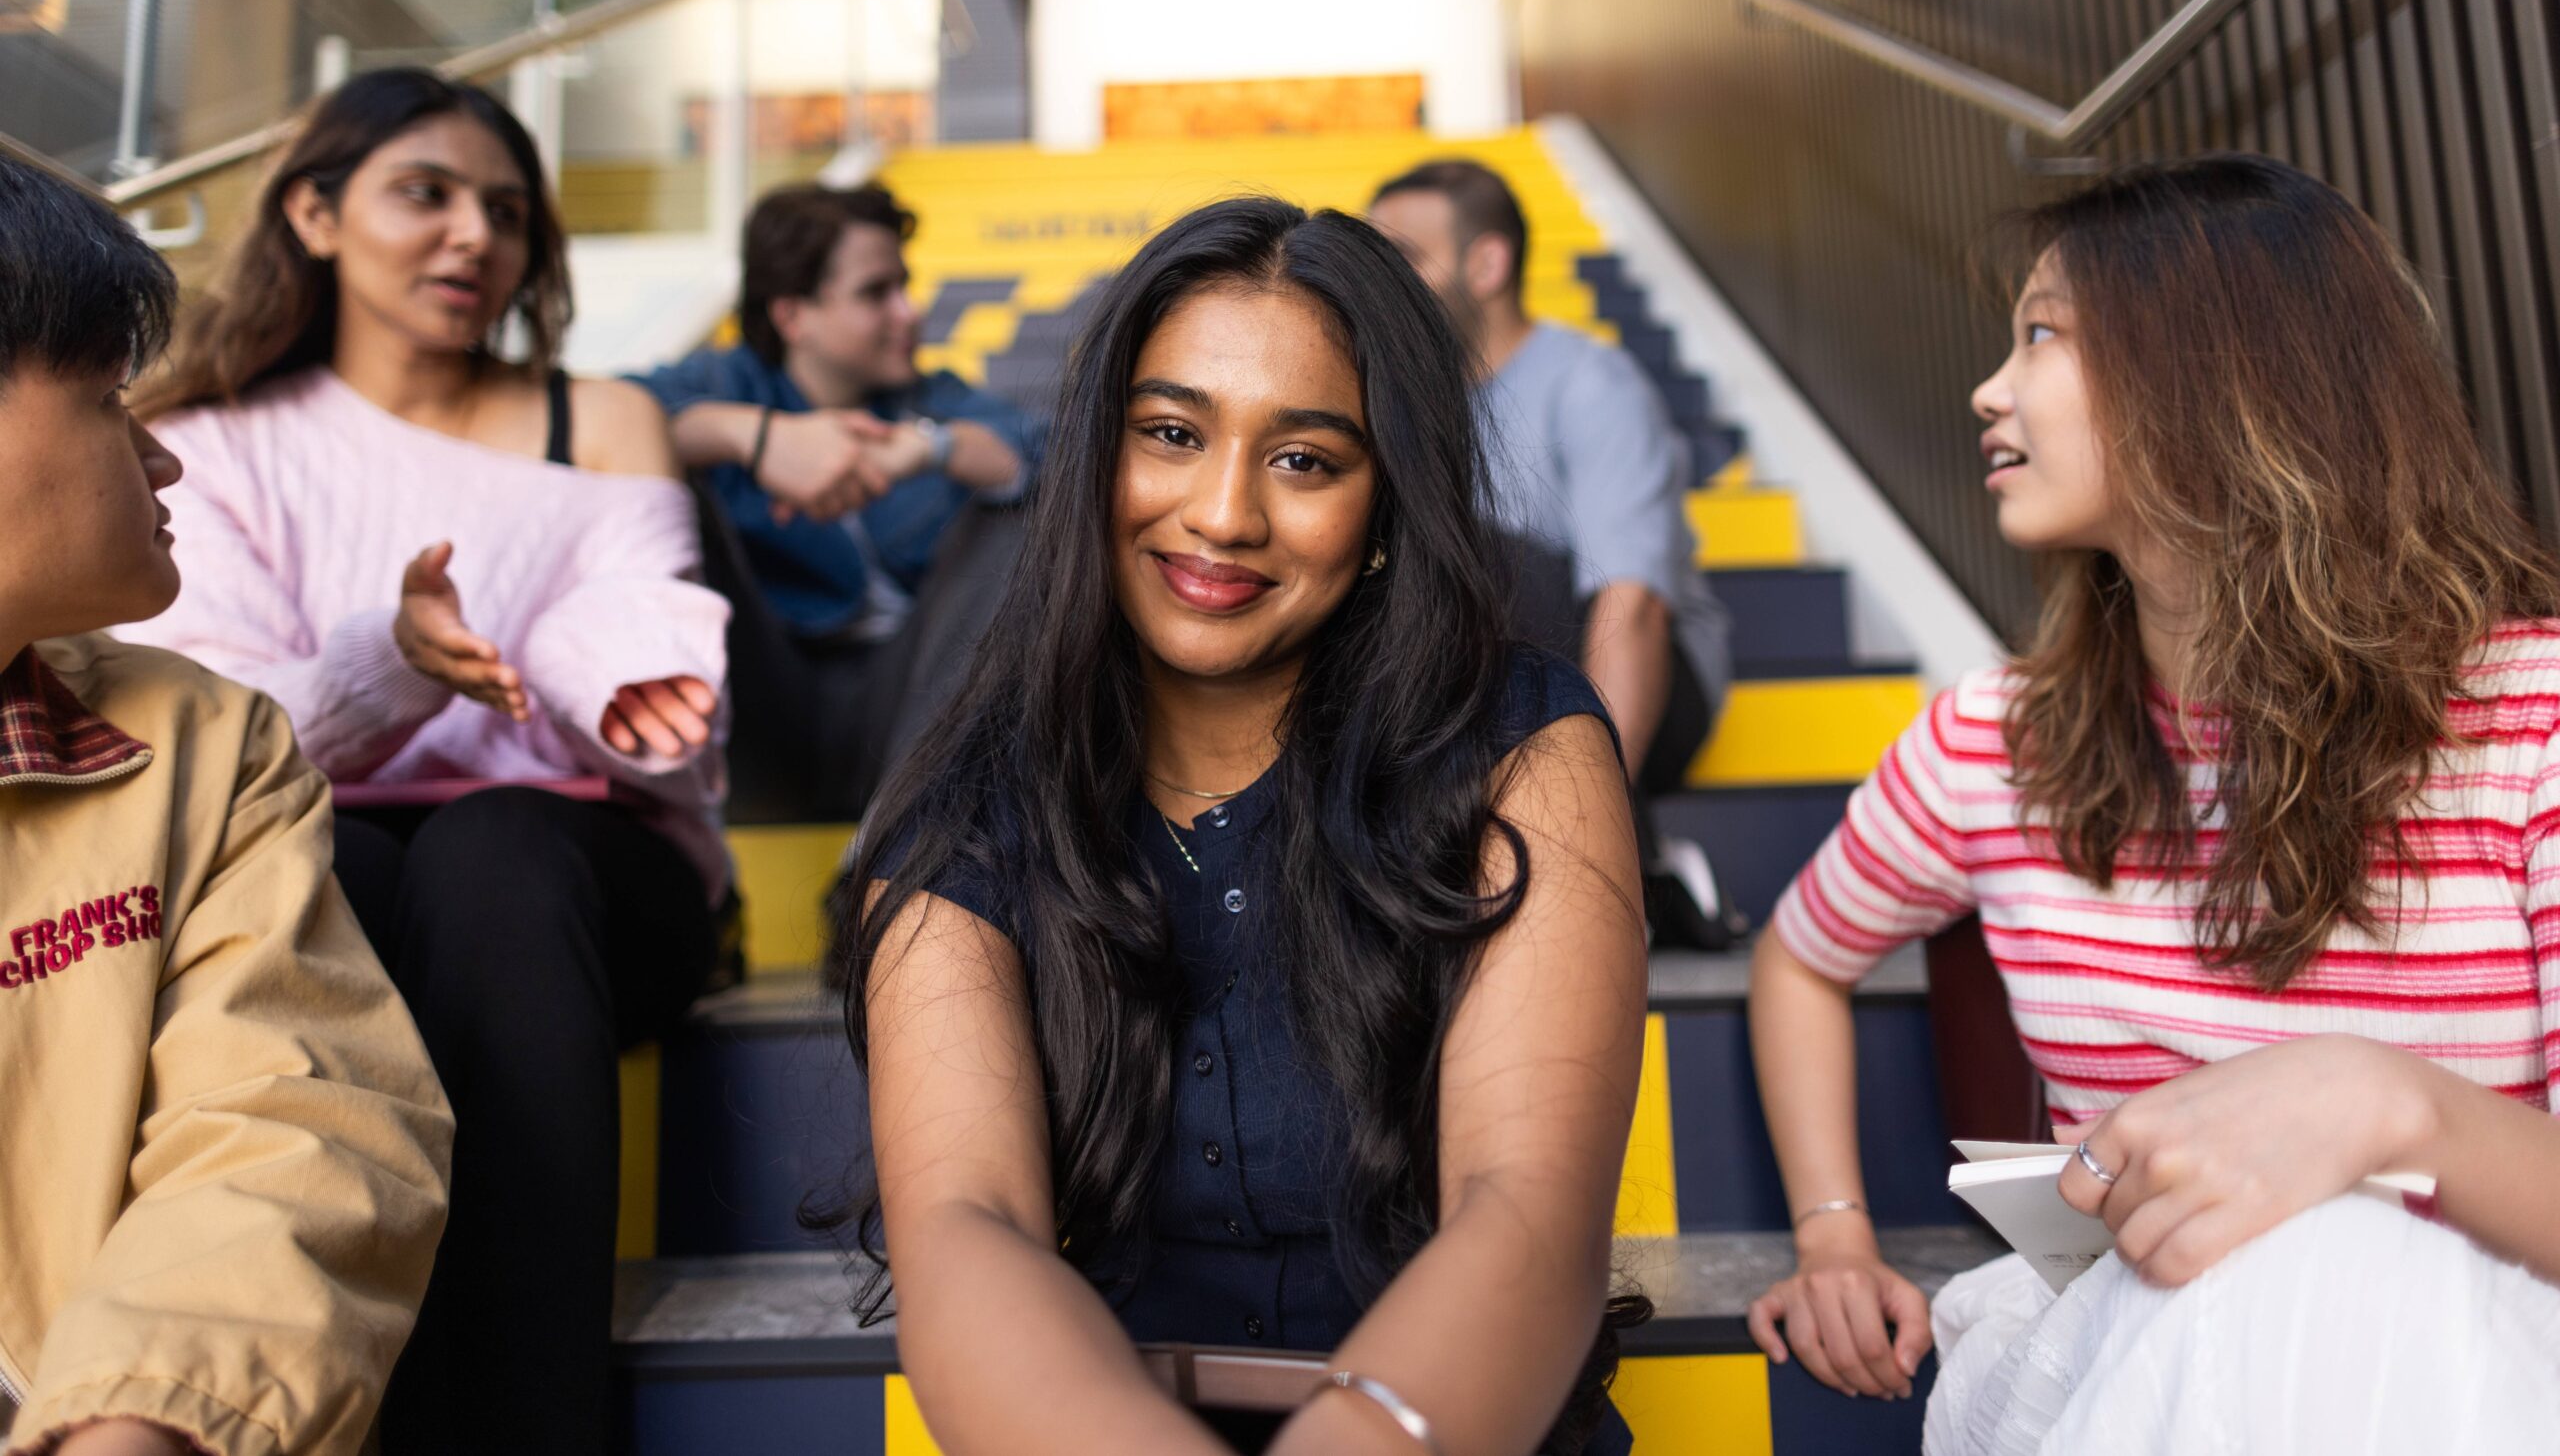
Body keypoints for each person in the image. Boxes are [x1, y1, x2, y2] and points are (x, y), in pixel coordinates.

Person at [1742, 154, 2560, 1450]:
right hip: (2117, 1339)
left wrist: (2389, 1106)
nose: (1987, 388)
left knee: (2336, 1264)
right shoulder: (1992, 742)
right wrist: (1831, 1229)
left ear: (2223, 367)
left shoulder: (2534, 722)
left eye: (2044, 333)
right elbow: (1798, 953)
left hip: (2490, 1360)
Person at [831, 198, 1650, 1454]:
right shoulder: (968, 805)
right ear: (1096, 452)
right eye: (1170, 433)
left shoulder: (1524, 745)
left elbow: (1523, 1209)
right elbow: (966, 1228)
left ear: (1389, 502)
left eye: (1305, 460)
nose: (1221, 515)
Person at [117, 68, 732, 1456]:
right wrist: (396, 652)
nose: (475, 236)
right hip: (339, 871)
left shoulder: (604, 417)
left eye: (506, 211)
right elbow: (220, 736)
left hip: (586, 880)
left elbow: (664, 703)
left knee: (492, 845)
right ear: (315, 214)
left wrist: (567, 673)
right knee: (356, 864)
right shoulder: (206, 442)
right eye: (427, 194)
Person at [0, 153, 451, 1455]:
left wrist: (146, 1415)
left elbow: (292, 1115)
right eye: (106, 399)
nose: (162, 457)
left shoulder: (199, 741)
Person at [1369, 160, 1734, 946]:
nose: (1381, 287)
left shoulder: (1590, 384)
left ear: (1487, 264)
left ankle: (1633, 862)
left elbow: (1632, 605)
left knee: (1484, 561)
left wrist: (1596, 819)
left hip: (1644, 676)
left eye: (1403, 260)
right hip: (1484, 675)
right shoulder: (1403, 403)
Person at [631, 181, 1042, 819]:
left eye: (904, 286)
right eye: (877, 293)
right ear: (793, 316)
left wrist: (926, 447)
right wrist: (750, 437)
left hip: (911, 704)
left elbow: (1058, 450)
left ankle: (902, 833)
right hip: (765, 700)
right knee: (666, 478)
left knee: (1013, 510)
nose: (909, 312)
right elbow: (589, 422)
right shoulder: (723, 382)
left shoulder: (928, 400)